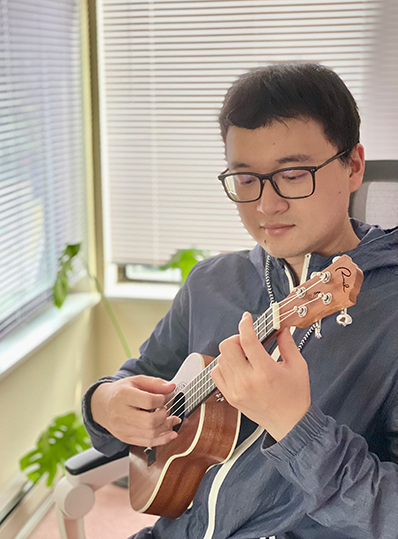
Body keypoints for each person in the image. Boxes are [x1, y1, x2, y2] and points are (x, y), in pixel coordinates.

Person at [83, 63, 398, 539]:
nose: (265, 206)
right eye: (245, 179)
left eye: (293, 174)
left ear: (353, 166)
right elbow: (141, 377)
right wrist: (104, 403)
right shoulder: (211, 281)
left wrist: (296, 427)